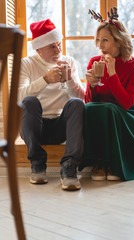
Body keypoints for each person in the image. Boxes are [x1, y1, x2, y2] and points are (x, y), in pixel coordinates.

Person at [78, 8, 134, 181]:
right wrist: (92, 86)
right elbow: (89, 103)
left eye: (105, 40)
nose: (100, 46)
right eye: (98, 40)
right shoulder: (95, 62)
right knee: (90, 109)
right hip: (103, 115)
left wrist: (112, 73)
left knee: (108, 108)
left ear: (119, 41)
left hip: (127, 116)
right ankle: (100, 161)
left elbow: (126, 103)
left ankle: (113, 163)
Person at [18, 19, 85, 191]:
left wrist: (70, 80)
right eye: (52, 47)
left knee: (76, 103)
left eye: (58, 44)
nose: (58, 50)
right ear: (38, 49)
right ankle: (37, 164)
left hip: (60, 126)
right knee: (29, 101)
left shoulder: (68, 61)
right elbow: (18, 97)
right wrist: (45, 80)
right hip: (34, 127)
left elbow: (81, 98)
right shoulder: (27, 64)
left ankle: (69, 168)